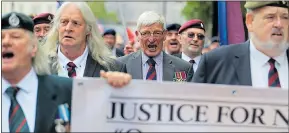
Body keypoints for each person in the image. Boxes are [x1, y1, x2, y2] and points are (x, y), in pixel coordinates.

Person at [2, 12, 132, 132]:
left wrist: (116, 90)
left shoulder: (66, 89)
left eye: (15, 37)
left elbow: (100, 120)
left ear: (33, 47)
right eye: (1, 37)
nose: (6, 42)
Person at [192, 1, 289, 89]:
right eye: (270, 17)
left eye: (285, 17)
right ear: (250, 21)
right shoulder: (216, 62)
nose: (279, 24)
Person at [42, 2, 126, 78]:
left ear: (88, 29)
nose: (68, 28)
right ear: (57, 27)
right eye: (64, 22)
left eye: (75, 23)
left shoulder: (113, 69)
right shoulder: (39, 65)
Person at [118, 11, 194, 82]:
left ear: (164, 35)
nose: (151, 39)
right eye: (146, 33)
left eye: (157, 33)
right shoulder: (120, 65)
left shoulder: (183, 68)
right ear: (137, 35)